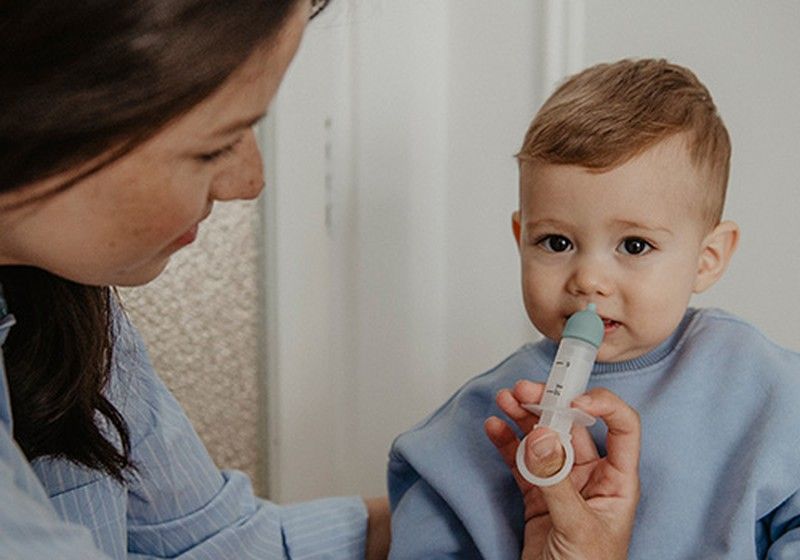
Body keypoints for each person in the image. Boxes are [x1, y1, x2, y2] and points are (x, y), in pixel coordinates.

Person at [0, 1, 396, 558]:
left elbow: (208, 544)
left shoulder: (59, 301)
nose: (248, 183)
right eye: (217, 144)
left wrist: (472, 501)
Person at [387, 58, 800, 559]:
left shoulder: (768, 390)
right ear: (521, 238)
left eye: (634, 246)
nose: (588, 279)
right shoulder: (480, 423)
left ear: (706, 259)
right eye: (556, 242)